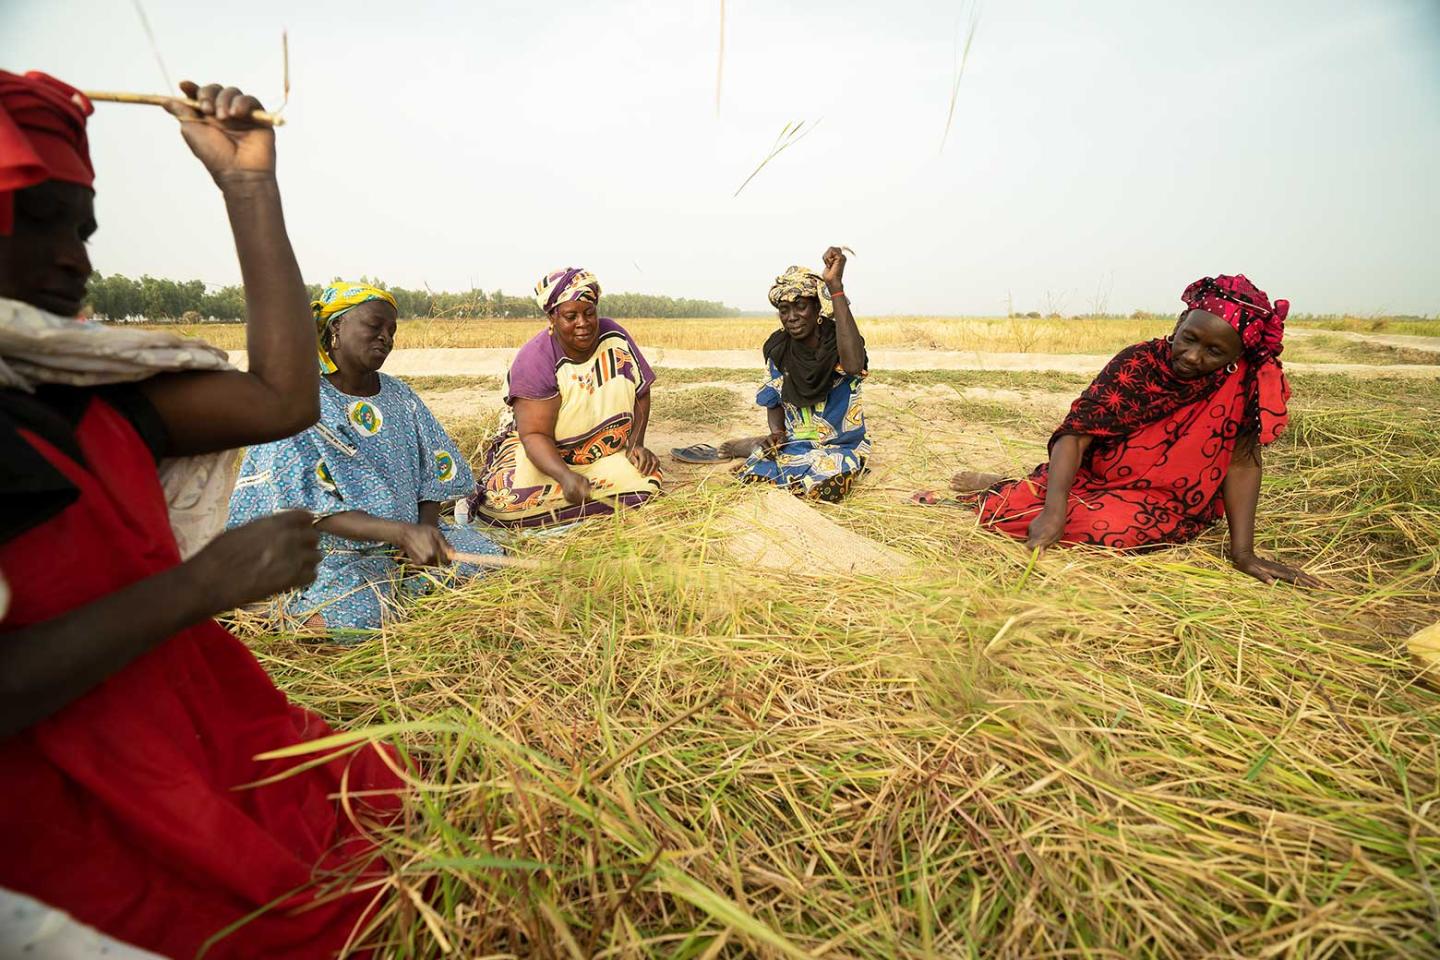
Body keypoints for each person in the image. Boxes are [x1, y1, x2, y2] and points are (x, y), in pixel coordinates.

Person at [0, 74, 402, 958]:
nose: (75, 259)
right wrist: (202, 587)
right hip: (65, 802)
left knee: (393, 831)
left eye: (82, 228)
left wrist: (249, 185)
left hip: (191, 731)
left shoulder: (88, 400)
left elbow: (276, 397)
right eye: (38, 222)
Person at [952, 274, 1322, 586]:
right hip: (1096, 476)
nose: (1193, 356)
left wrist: (1244, 554)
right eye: (1190, 339)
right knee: (1037, 508)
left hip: (1169, 502)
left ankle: (1031, 489)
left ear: (1236, 357)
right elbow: (1076, 433)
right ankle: (1016, 487)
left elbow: (1241, 463)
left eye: (1214, 352)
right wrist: (1054, 509)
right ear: (1179, 323)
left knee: (1104, 527)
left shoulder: (1244, 386)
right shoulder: (1138, 362)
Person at [227, 281, 502, 636]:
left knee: (489, 563)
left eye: (392, 330)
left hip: (405, 546)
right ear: (336, 327)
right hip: (334, 554)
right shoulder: (296, 403)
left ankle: (400, 593)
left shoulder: (400, 396)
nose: (386, 337)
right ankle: (275, 612)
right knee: (358, 620)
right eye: (375, 326)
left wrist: (426, 531)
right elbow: (306, 506)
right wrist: (401, 533)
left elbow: (432, 473)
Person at [470, 266, 662, 527]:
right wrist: (564, 476)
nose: (583, 323)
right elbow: (534, 435)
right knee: (504, 504)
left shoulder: (614, 338)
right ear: (552, 318)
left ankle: (569, 511)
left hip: (601, 456)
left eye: (589, 313)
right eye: (571, 316)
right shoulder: (535, 359)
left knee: (646, 481)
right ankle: (580, 505)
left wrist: (636, 444)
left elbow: (641, 393)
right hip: (542, 457)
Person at [733, 248, 870, 502]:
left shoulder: (840, 342)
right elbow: (773, 398)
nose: (792, 317)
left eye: (800, 306)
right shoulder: (778, 348)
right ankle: (752, 446)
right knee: (756, 475)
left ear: (817, 308)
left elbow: (853, 366)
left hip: (839, 447)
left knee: (827, 484)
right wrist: (777, 433)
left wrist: (835, 286)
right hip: (795, 445)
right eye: (784, 310)